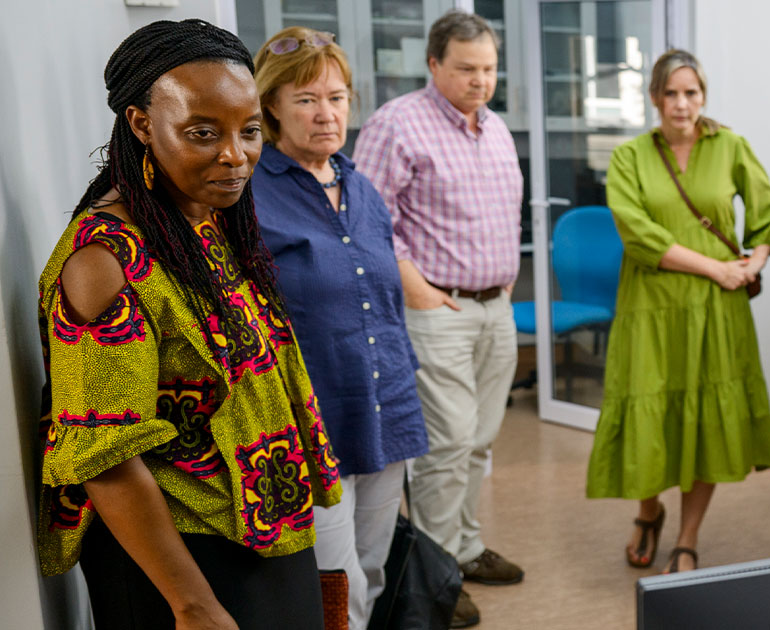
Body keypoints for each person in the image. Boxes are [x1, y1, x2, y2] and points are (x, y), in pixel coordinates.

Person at [35, 19, 341, 629]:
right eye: (202, 132)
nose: (235, 155)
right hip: (183, 559)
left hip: (262, 527)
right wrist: (193, 605)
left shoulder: (205, 218)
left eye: (249, 131)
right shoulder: (105, 260)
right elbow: (104, 454)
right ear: (142, 124)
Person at [249, 27, 428, 630]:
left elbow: (384, 296)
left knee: (375, 566)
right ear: (270, 107)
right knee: (334, 575)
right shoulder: (250, 194)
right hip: (311, 414)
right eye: (305, 100)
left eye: (337, 97)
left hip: (385, 403)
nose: (326, 114)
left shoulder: (361, 186)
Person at [586, 49, 770, 574]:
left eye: (691, 93)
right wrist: (716, 267)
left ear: (703, 96)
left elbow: (769, 215)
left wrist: (753, 260)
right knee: (650, 415)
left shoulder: (731, 146)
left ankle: (688, 536)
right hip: (650, 307)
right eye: (671, 94)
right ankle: (649, 511)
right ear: (655, 98)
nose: (681, 104)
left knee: (704, 422)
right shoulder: (629, 156)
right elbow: (636, 232)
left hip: (715, 312)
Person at [354, 10, 523, 627]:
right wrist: (418, 289)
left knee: (478, 442)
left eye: (489, 69)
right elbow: (366, 224)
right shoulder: (397, 125)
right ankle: (434, 574)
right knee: (447, 445)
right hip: (437, 308)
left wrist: (503, 276)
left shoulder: (495, 127)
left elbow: (506, 211)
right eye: (466, 69)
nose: (481, 81)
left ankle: (467, 549)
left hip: (494, 308)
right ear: (433, 65)